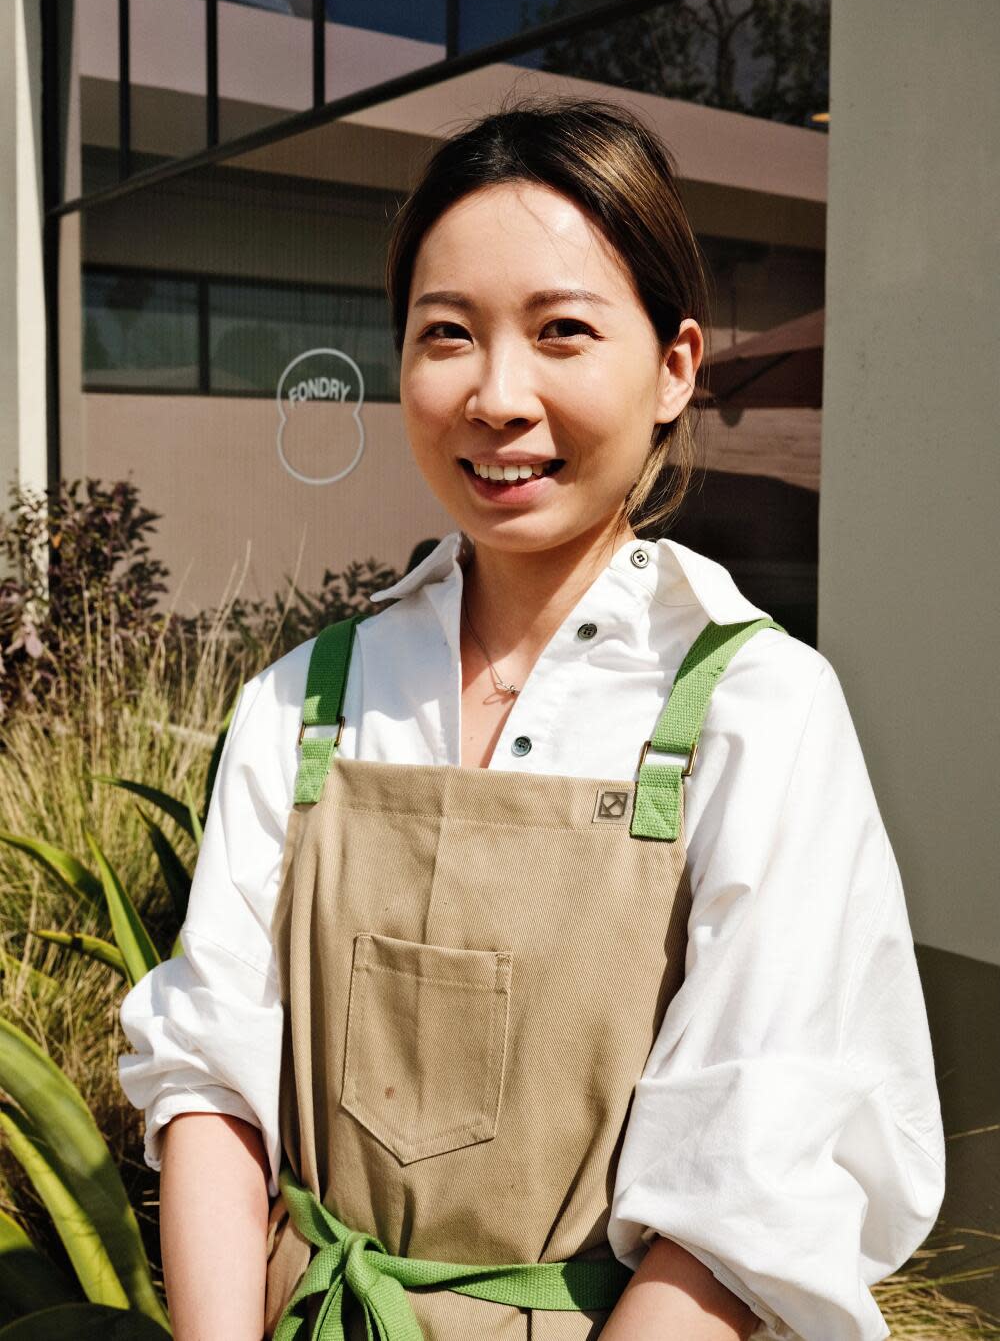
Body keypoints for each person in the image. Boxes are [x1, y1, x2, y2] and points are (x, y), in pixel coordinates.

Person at [117, 96, 946, 1341]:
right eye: (446, 334)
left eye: (563, 331)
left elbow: (749, 1191)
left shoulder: (758, 712)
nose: (498, 397)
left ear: (674, 370)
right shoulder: (303, 700)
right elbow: (211, 1082)